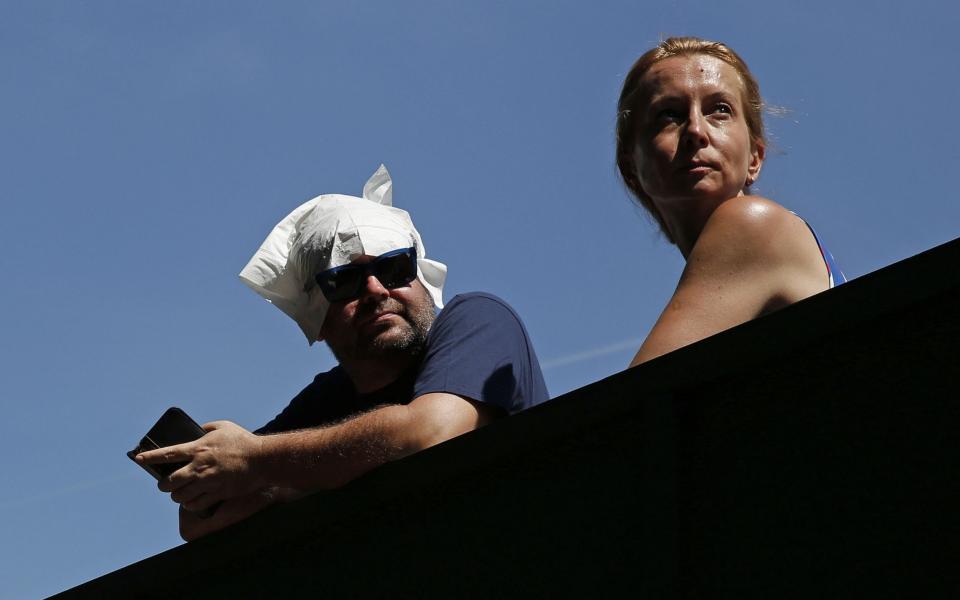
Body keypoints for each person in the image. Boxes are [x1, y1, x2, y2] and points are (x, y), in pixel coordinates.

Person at [135, 165, 549, 540]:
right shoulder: (327, 399)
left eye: (393, 268)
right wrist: (243, 470)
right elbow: (201, 521)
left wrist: (258, 461)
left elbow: (430, 433)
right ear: (315, 315)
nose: (375, 290)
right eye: (346, 280)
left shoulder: (477, 320)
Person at [615, 37, 845, 366]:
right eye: (669, 115)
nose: (696, 130)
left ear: (755, 157)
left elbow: (630, 407)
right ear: (631, 167)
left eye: (720, 110)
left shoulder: (754, 225)